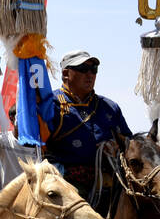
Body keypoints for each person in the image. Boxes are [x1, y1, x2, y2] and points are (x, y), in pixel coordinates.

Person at [39, 51, 132, 196]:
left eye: (93, 69)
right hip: (65, 183)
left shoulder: (109, 106)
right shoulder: (50, 104)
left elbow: (129, 142)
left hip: (110, 179)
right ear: (65, 74)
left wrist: (115, 146)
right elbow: (35, 145)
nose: (90, 74)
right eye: (83, 69)